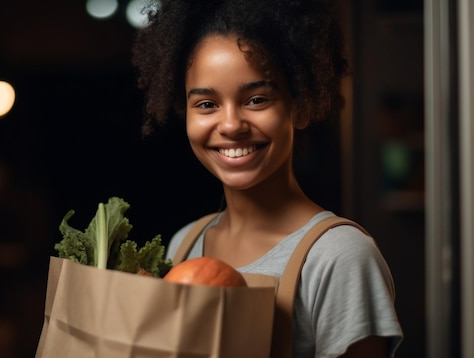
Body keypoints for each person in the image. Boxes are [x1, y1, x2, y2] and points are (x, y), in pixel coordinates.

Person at [131, 0, 403, 356]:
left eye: (257, 99)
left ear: (301, 107)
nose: (230, 125)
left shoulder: (340, 257)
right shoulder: (184, 244)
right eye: (207, 104)